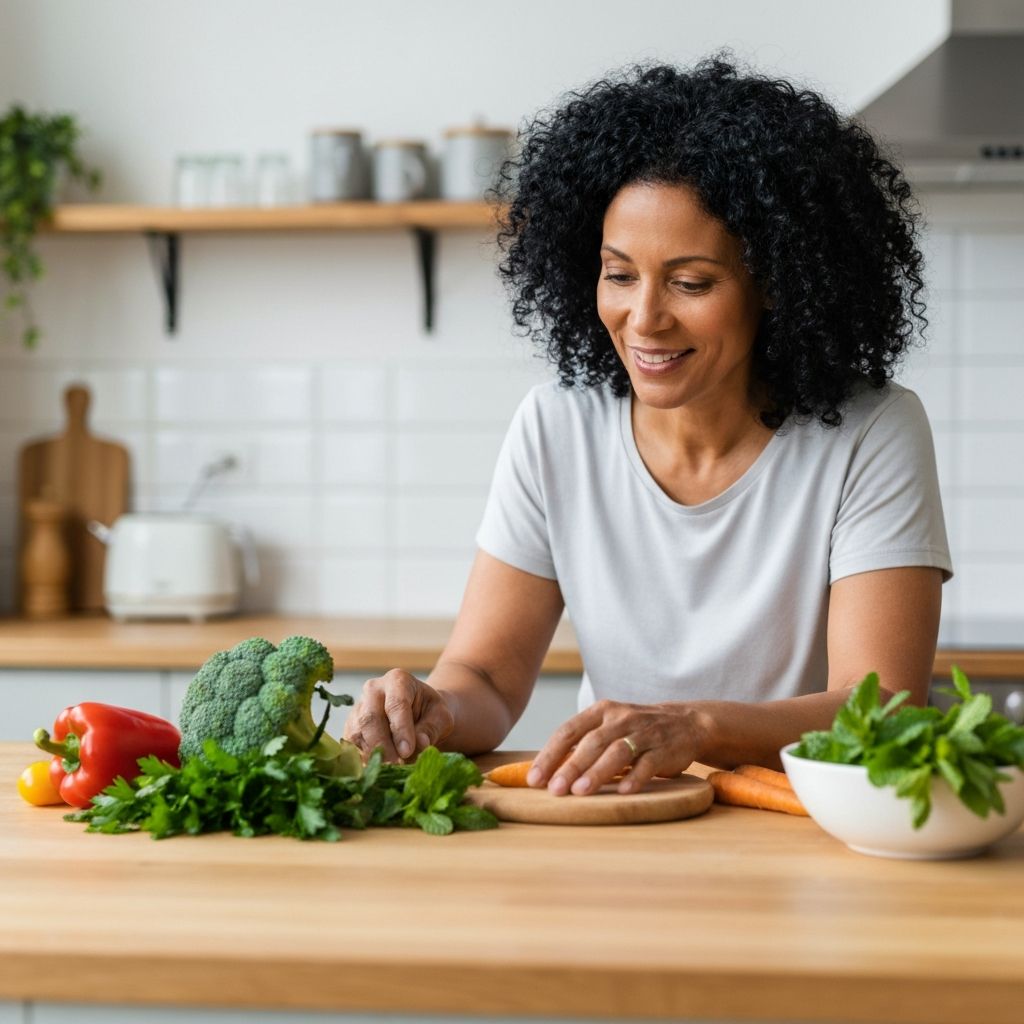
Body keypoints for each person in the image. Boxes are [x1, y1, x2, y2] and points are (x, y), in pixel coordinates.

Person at [344, 57, 952, 797]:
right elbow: (487, 678)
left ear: (779, 285)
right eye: (619, 273)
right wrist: (434, 711)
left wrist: (696, 729)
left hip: (801, 833)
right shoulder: (556, 426)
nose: (646, 318)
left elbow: (880, 705)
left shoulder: (872, 430)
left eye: (692, 282)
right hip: (617, 826)